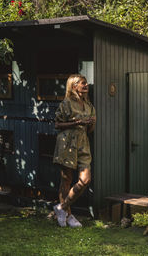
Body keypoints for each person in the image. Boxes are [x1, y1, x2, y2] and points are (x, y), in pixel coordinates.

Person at [52, 74, 96, 227]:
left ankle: (61, 208)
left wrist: (91, 123)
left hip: (83, 142)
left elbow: (89, 129)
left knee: (85, 180)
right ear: (74, 86)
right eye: (82, 83)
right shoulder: (67, 103)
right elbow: (57, 124)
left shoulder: (89, 106)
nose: (86, 85)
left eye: (86, 83)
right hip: (67, 142)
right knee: (66, 179)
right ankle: (68, 216)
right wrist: (77, 122)